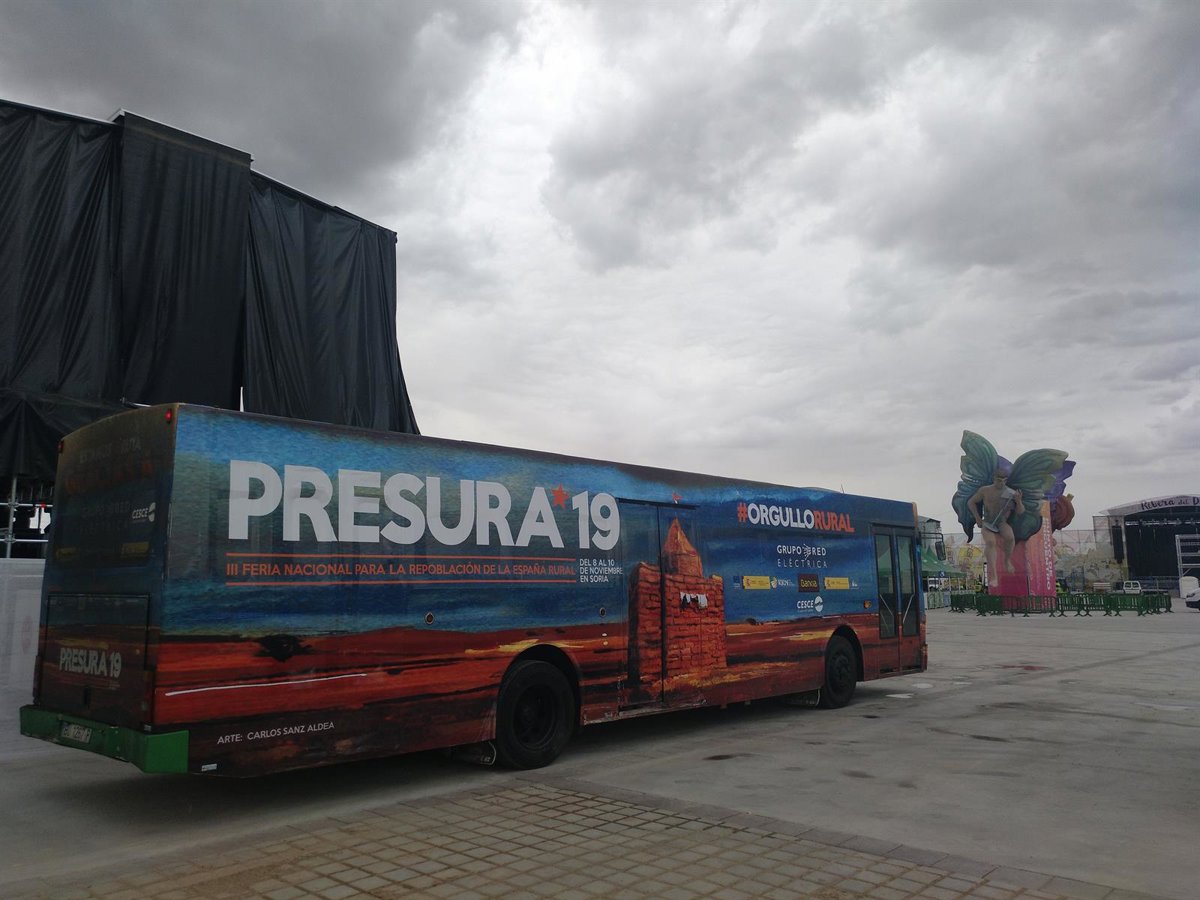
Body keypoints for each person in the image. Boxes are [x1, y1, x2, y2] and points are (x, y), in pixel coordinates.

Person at [968, 470, 1023, 586]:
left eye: (1004, 481)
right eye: (999, 480)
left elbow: (1020, 511)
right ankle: (993, 575)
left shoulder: (1011, 493)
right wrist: (977, 518)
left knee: (1010, 537)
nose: (1001, 483)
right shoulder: (985, 490)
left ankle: (1007, 560)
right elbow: (971, 502)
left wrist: (1018, 501)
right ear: (994, 479)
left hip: (1001, 522)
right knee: (990, 542)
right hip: (988, 522)